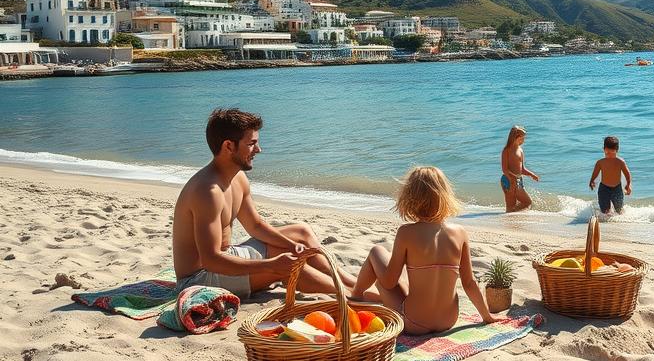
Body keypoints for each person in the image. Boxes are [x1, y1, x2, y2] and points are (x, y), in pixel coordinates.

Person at [172, 108, 356, 300]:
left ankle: (352, 283)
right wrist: (272, 265)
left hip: (228, 255)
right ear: (228, 146)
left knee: (301, 233)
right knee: (287, 267)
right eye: (251, 144)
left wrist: (293, 245)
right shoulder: (207, 192)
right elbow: (211, 260)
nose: (258, 150)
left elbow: (255, 225)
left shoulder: (238, 178)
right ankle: (350, 295)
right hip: (200, 279)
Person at [350, 166, 496, 334]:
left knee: (377, 251)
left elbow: (389, 282)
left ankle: (355, 296)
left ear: (410, 198)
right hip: (449, 320)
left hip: (413, 323)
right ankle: (362, 296)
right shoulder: (460, 233)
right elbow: (469, 283)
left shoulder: (406, 232)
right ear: (445, 195)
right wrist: (487, 316)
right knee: (408, 279)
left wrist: (378, 270)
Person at [588, 136, 632, 214]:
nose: (609, 155)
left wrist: (628, 185)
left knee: (619, 210)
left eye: (612, 153)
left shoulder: (620, 162)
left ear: (617, 150)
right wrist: (591, 181)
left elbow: (627, 174)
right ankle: (608, 224)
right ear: (604, 149)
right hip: (604, 188)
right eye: (607, 152)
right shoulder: (600, 162)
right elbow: (595, 172)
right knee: (605, 211)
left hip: (617, 188)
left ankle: (621, 221)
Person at [501, 125, 539, 212]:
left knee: (512, 207)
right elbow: (505, 169)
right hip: (508, 180)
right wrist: (511, 180)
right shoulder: (506, 150)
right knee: (527, 202)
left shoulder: (520, 150)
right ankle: (511, 216)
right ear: (515, 137)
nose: (524, 140)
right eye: (522, 138)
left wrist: (532, 175)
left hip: (518, 180)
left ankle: (511, 219)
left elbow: (522, 169)